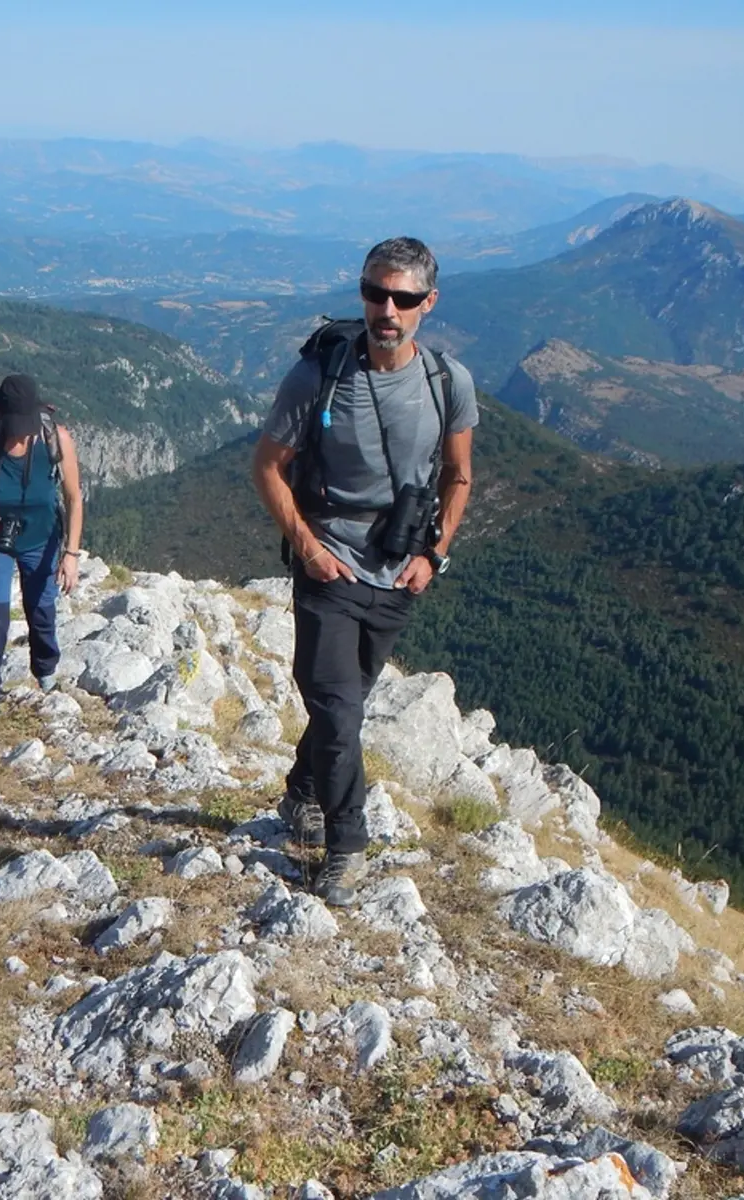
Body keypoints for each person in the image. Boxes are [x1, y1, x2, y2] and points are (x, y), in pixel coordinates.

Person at [252, 236, 478, 907]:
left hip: (397, 572)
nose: (388, 308)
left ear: (427, 304)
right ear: (362, 293)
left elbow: (459, 475)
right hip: (328, 566)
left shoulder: (447, 383)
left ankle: (300, 792)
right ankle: (346, 844)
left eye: (404, 298)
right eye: (376, 293)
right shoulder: (318, 376)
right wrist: (306, 543)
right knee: (338, 709)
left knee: (341, 707)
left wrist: (433, 554)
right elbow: (268, 466)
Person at [0, 373, 83, 721]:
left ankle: (46, 670)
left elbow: (73, 497)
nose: (20, 432)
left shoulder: (57, 438)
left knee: (41, 611)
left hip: (43, 538)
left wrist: (70, 555)